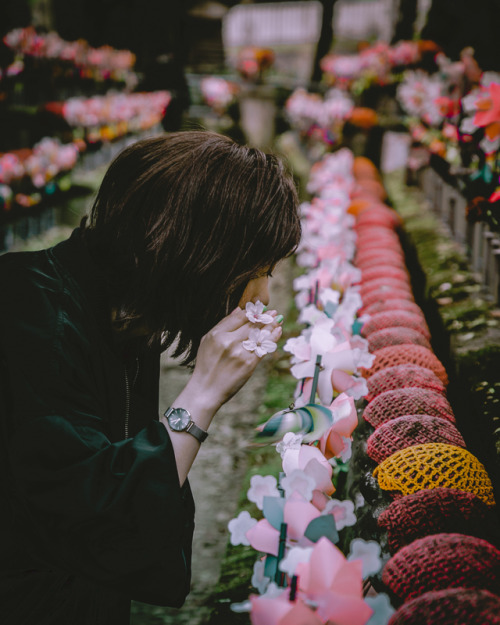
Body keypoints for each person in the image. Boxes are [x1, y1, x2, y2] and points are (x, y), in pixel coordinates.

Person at [0, 131, 301, 625]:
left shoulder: (121, 314)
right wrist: (202, 395)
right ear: (201, 256)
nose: (264, 295)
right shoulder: (32, 320)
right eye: (261, 268)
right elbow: (87, 517)